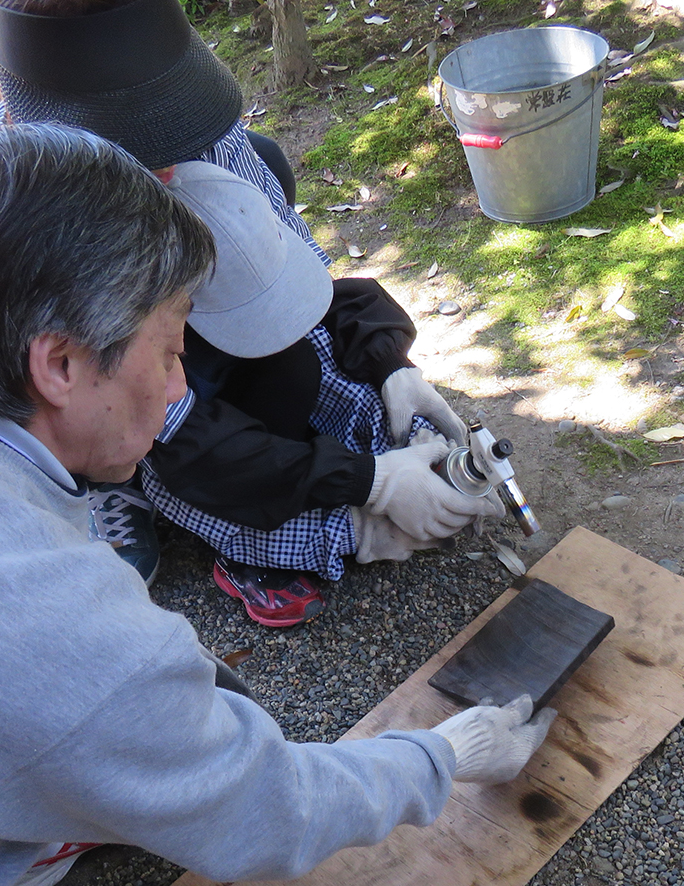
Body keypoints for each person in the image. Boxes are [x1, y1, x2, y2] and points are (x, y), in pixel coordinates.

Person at [0, 123, 555, 886]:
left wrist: (391, 367)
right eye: (168, 353)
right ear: (59, 363)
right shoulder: (55, 631)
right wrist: (442, 756)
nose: (174, 389)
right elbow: (270, 812)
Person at [0, 0, 484, 601]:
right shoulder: (11, 234)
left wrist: (389, 369)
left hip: (154, 344)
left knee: (307, 372)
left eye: (168, 124)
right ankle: (103, 484)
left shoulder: (213, 146)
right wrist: (358, 500)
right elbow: (178, 431)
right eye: (134, 148)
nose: (170, 164)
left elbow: (301, 287)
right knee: (145, 445)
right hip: (84, 387)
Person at [138, 161, 503, 626]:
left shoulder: (236, 180)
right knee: (211, 480)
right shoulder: (136, 344)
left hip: (230, 389)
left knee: (304, 362)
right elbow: (194, 452)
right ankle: (249, 556)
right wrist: (368, 485)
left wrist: (392, 367)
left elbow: (336, 299)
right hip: (187, 456)